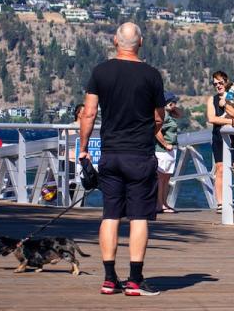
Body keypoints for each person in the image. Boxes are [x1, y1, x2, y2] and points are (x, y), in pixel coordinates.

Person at [79, 23, 165, 297]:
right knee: (139, 217)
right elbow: (159, 117)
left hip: (111, 154)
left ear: (115, 41)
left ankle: (108, 279)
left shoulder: (100, 72)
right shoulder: (152, 75)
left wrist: (83, 148)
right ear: (141, 43)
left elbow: (89, 114)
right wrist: (146, 134)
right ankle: (135, 281)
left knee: (111, 215)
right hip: (139, 154)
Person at [206, 71, 234, 213]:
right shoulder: (211, 100)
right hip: (219, 136)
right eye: (215, 84)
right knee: (221, 169)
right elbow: (212, 119)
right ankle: (221, 204)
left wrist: (226, 106)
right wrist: (230, 120)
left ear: (226, 81)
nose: (218, 86)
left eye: (220, 82)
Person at [155, 91, 182, 214]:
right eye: (172, 102)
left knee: (166, 178)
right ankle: (159, 204)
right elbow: (156, 131)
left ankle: (164, 203)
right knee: (161, 178)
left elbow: (180, 114)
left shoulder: (169, 114)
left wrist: (171, 108)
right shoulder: (163, 115)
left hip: (171, 150)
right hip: (163, 151)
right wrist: (165, 144)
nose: (174, 104)